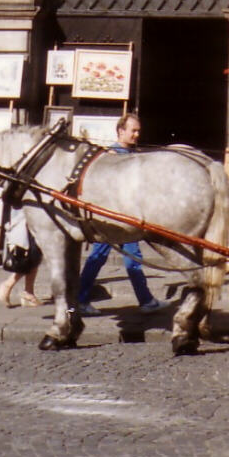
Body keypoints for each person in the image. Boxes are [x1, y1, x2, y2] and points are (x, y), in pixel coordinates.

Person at [75, 114, 163, 317]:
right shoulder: (111, 156)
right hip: (112, 218)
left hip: (126, 217)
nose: (137, 135)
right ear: (120, 131)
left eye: (138, 131)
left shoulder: (132, 153)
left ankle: (146, 300)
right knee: (99, 256)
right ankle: (79, 300)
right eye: (133, 131)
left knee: (129, 258)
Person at [0, 204, 44, 308]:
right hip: (24, 216)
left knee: (35, 252)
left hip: (29, 214)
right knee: (32, 253)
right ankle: (6, 286)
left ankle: (28, 293)